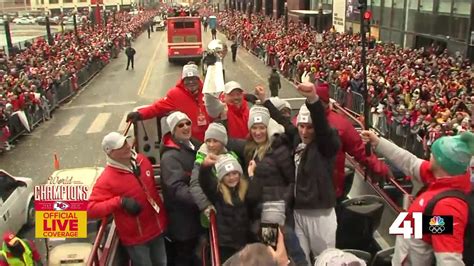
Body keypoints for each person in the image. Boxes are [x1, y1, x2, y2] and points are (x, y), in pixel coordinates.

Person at [360, 130, 473, 265]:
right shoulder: (440, 176)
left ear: (443, 162)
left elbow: (449, 260)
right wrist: (378, 143)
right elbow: (410, 162)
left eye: (435, 153)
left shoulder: (447, 207)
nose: (430, 153)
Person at [87, 132, 168, 266]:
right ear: (110, 153)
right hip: (137, 238)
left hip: (157, 229)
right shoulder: (107, 179)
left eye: (125, 142)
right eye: (120, 146)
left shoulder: (143, 161)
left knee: (162, 262)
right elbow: (91, 209)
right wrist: (120, 202)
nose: (127, 147)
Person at [315, 83, 390, 202]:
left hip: (328, 188)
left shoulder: (341, 124)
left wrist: (376, 165)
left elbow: (358, 148)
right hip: (314, 188)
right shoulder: (303, 120)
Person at [126, 63, 211, 141]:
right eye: (187, 79)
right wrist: (140, 114)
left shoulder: (208, 91)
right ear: (182, 81)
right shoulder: (175, 94)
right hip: (189, 140)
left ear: (198, 80)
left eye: (193, 78)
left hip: (210, 139)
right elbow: (157, 107)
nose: (191, 82)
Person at [160, 111, 203, 266]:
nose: (186, 127)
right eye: (180, 125)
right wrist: (203, 200)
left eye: (188, 123)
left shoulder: (194, 144)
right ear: (173, 131)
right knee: (184, 257)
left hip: (194, 217)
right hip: (183, 222)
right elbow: (177, 189)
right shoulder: (170, 158)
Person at [199, 154, 251, 262]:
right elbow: (205, 181)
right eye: (227, 175)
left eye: (235, 173)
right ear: (221, 177)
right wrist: (205, 167)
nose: (232, 178)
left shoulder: (246, 189)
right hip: (225, 246)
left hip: (244, 243)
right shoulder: (217, 192)